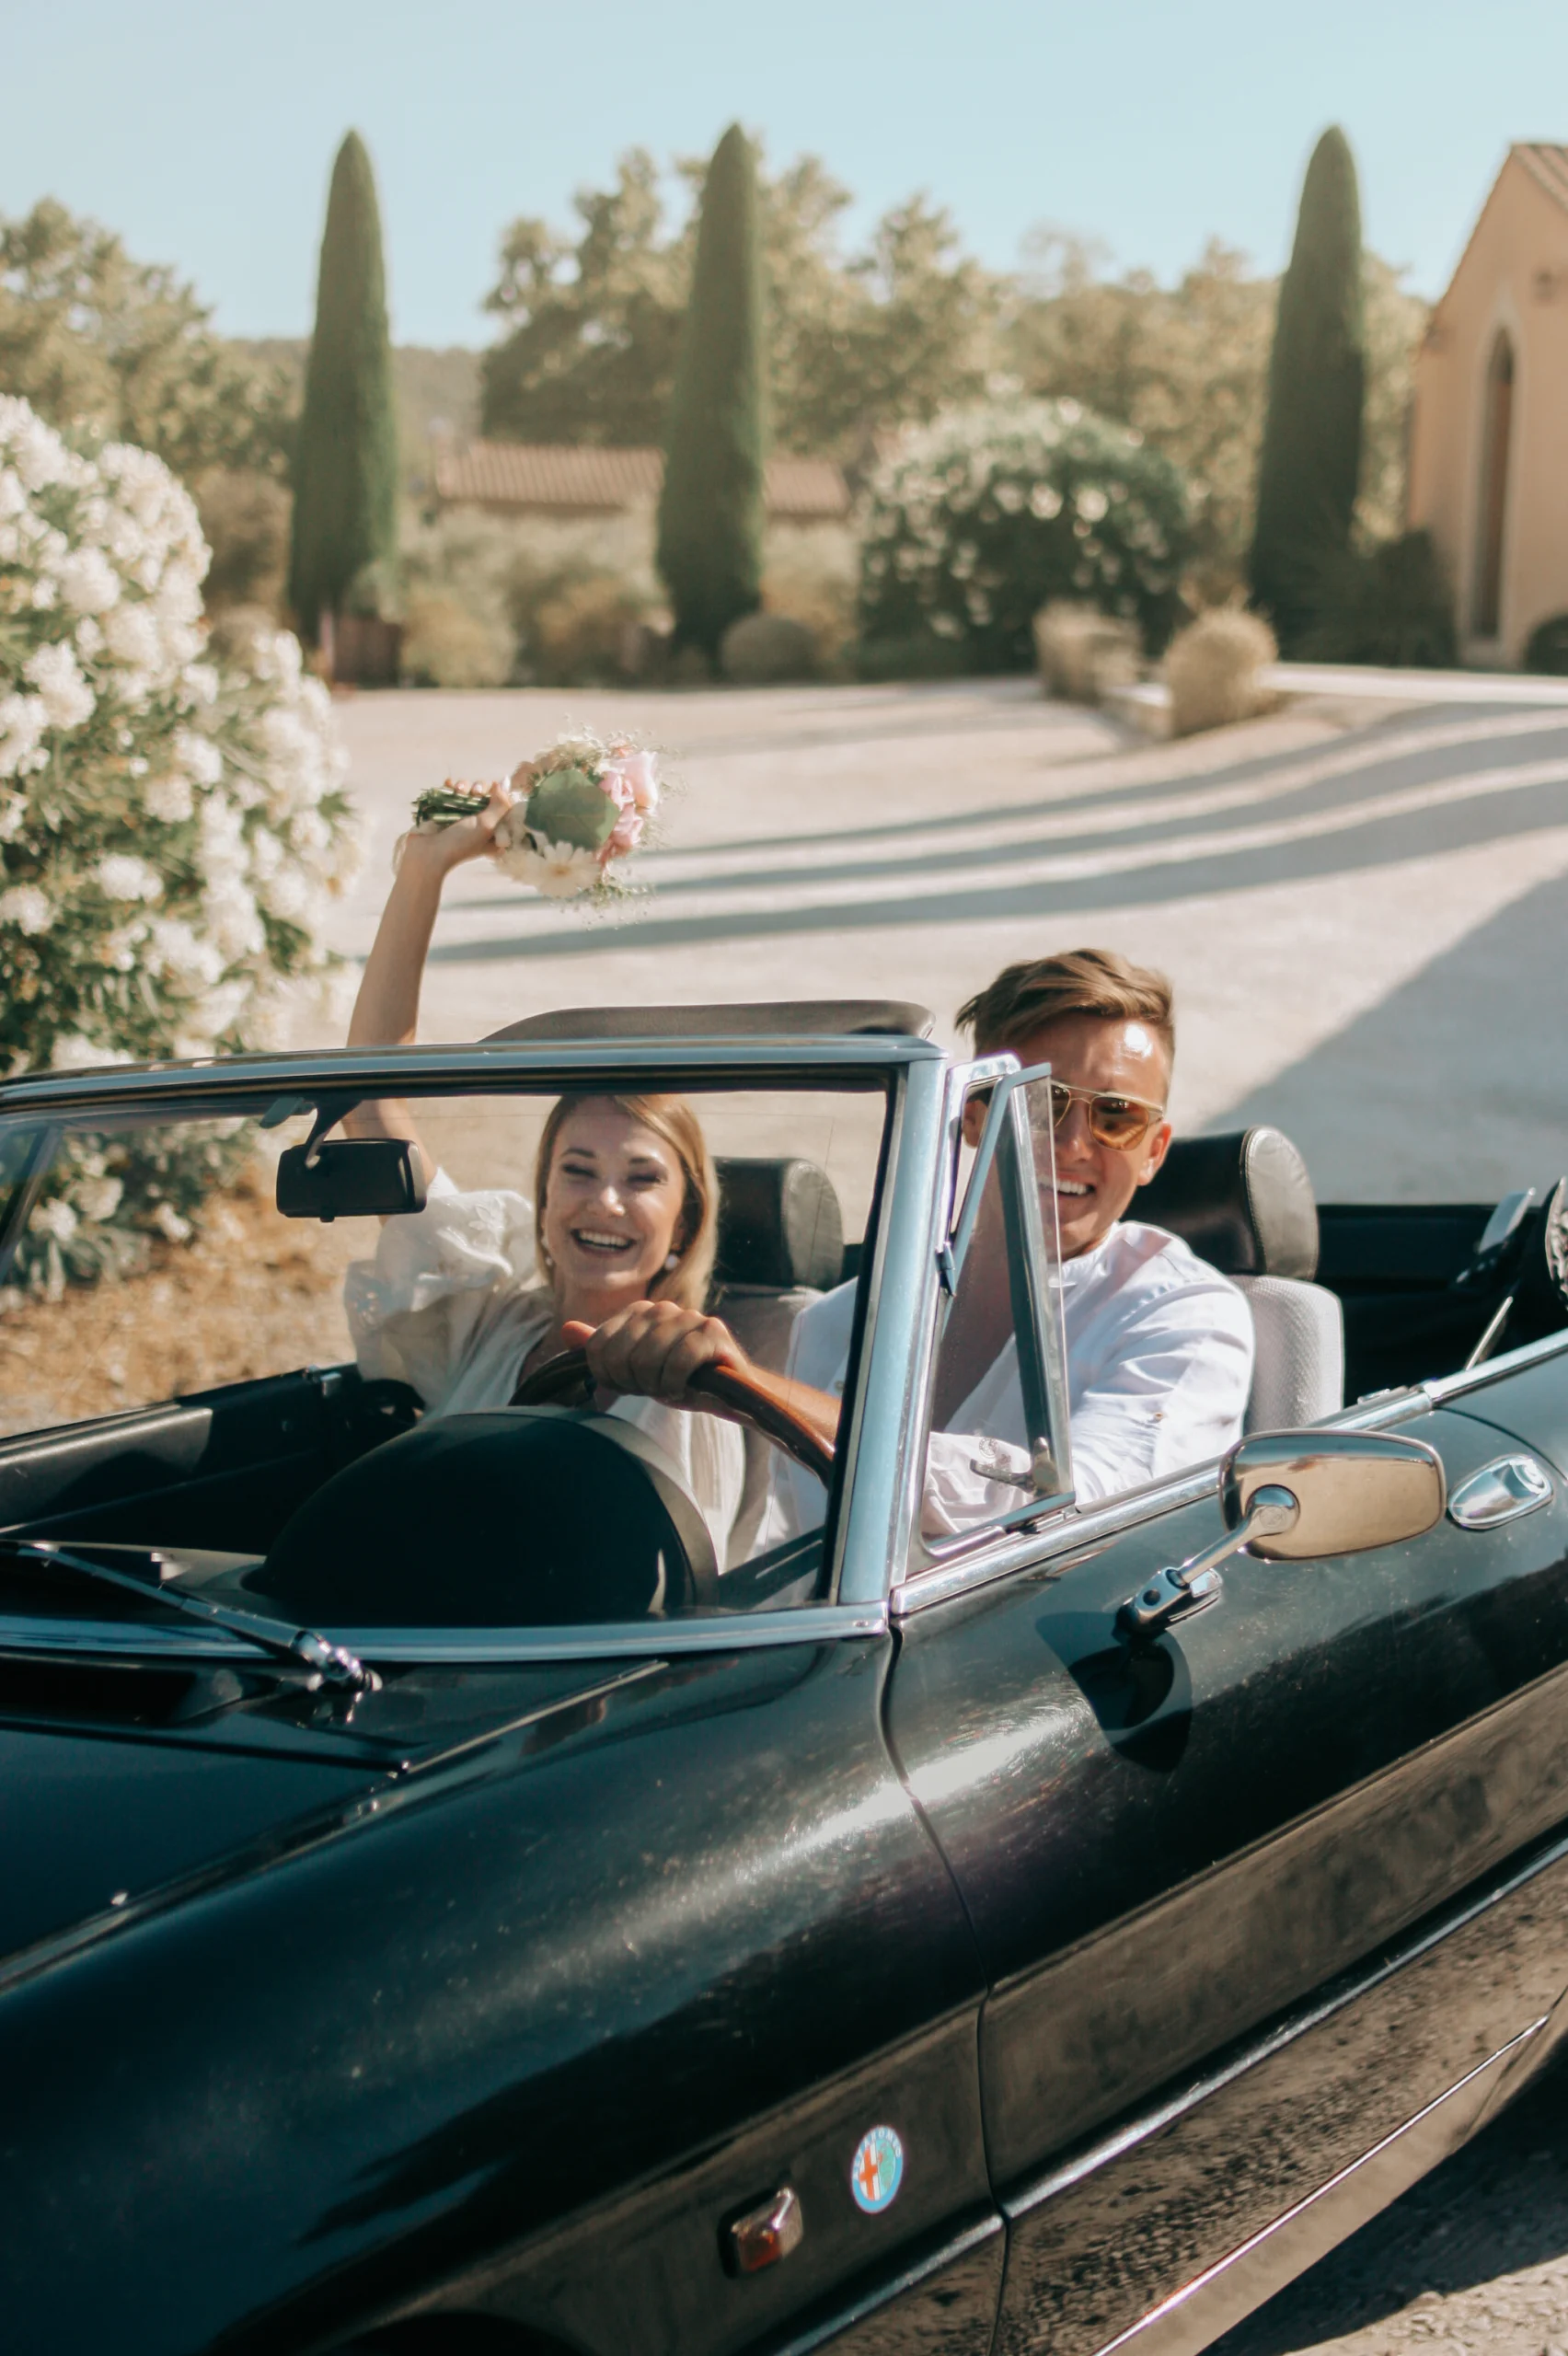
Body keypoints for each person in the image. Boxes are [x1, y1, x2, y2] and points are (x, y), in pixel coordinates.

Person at [589, 949, 1253, 1538]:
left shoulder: (1188, 1315)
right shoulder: (837, 1321)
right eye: (1039, 1102)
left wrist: (755, 1391)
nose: (1074, 1144)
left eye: (1117, 1116)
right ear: (970, 1114)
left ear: (1153, 1152)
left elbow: (1077, 1508)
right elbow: (798, 1557)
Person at [338, 777, 746, 1563]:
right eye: (578, 1169)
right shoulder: (488, 1317)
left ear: (686, 1221)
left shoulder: (695, 1378)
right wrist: (424, 871)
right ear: (545, 1192)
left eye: (643, 1178)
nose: (605, 1202)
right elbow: (371, 1103)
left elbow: (684, 1602)